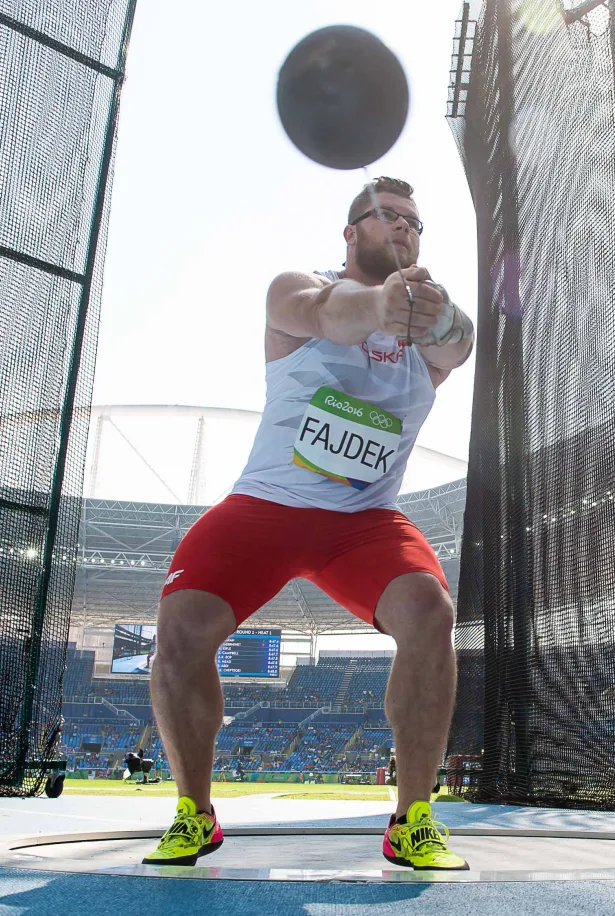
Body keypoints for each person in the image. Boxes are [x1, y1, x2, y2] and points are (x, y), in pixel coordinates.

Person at [144, 177, 473, 870]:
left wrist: (432, 315)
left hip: (364, 521)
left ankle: (413, 818)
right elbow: (328, 312)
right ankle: (193, 812)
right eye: (387, 217)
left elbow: (461, 343)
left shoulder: (427, 330)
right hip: (267, 507)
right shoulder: (296, 289)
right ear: (351, 234)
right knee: (179, 628)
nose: (404, 229)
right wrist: (383, 305)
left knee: (429, 610)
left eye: (414, 222)